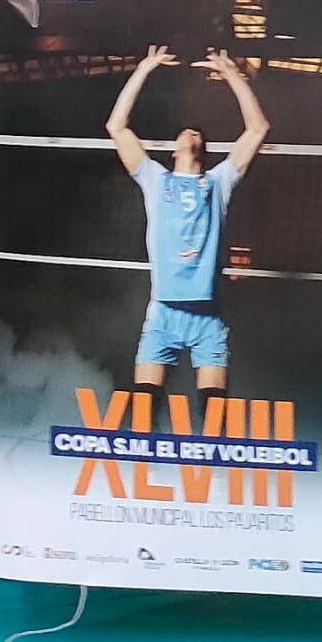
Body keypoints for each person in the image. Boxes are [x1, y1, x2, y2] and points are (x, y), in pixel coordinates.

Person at [105, 45, 270, 412]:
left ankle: (209, 467)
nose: (192, 132)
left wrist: (232, 74)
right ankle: (145, 467)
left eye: (197, 133)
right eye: (185, 131)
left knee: (214, 415)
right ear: (175, 148)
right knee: (145, 409)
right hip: (163, 313)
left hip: (208, 316)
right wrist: (144, 68)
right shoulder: (156, 180)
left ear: (202, 148)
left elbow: (258, 128)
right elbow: (116, 126)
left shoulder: (218, 182)